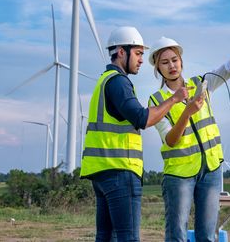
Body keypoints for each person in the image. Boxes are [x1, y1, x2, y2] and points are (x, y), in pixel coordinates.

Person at [147, 35, 230, 242]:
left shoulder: (202, 84)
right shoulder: (156, 101)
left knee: (209, 236)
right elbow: (171, 140)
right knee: (177, 235)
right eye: (164, 62)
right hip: (179, 174)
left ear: (181, 61)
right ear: (158, 69)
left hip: (211, 170)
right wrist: (187, 113)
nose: (172, 66)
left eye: (174, 60)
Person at [80, 26, 189, 242]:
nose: (141, 60)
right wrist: (174, 99)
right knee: (128, 238)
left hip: (101, 172)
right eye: (138, 53)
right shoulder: (118, 82)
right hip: (120, 171)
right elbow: (143, 118)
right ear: (122, 52)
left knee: (105, 237)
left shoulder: (104, 81)